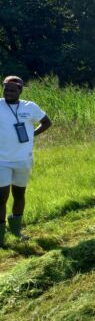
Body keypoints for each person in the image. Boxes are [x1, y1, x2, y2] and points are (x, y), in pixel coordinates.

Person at [1, 76, 52, 245]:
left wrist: (32, 134)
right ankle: (0, 237)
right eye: (5, 89)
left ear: (20, 91)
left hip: (23, 160)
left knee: (19, 195)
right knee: (1, 197)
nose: (8, 93)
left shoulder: (30, 107)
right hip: (2, 161)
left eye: (12, 90)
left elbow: (47, 122)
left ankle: (16, 231)